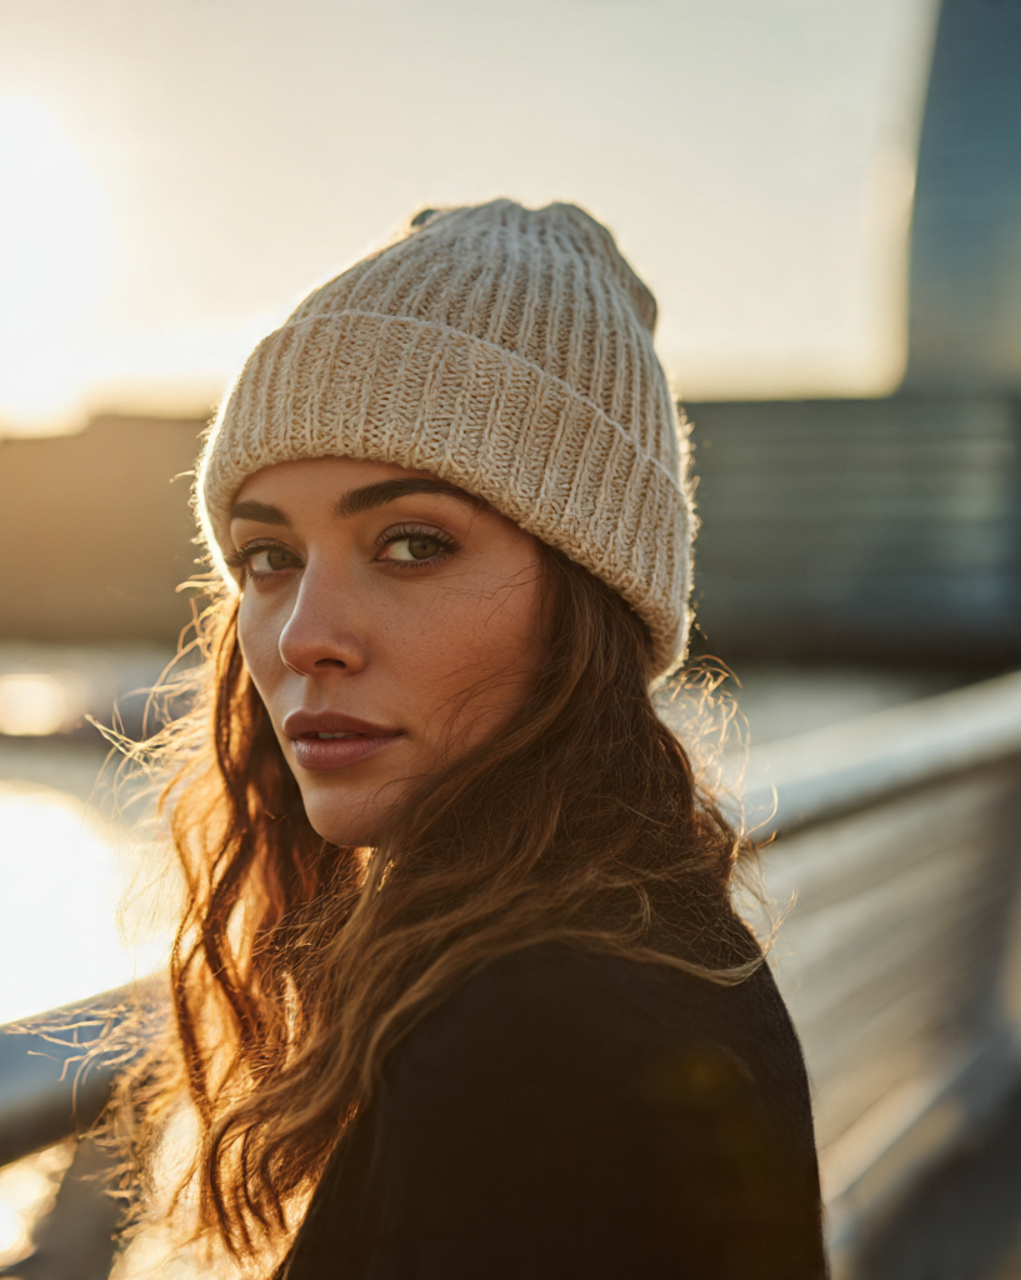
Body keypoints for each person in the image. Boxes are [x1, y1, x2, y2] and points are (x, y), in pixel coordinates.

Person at [117, 199, 827, 1278]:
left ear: (586, 601)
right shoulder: (642, 934)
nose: (305, 634)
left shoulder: (532, 1036)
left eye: (411, 542)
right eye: (269, 557)